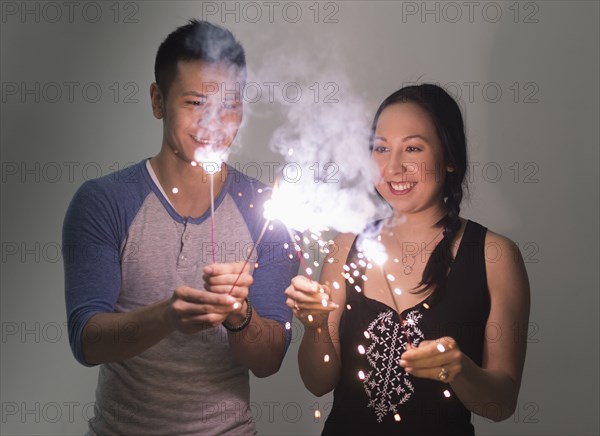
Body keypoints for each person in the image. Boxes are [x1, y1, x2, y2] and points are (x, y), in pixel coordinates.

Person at [63, 20, 298, 435]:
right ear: (158, 100)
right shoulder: (104, 201)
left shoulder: (267, 214)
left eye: (229, 105)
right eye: (194, 103)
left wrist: (239, 315)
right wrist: (167, 317)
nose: (214, 123)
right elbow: (87, 340)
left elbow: (269, 362)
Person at [285, 84, 530, 435]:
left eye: (413, 148)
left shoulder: (495, 256)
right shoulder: (345, 247)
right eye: (380, 148)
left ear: (449, 158)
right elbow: (318, 382)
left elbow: (501, 404)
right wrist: (315, 327)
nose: (393, 166)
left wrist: (460, 370)